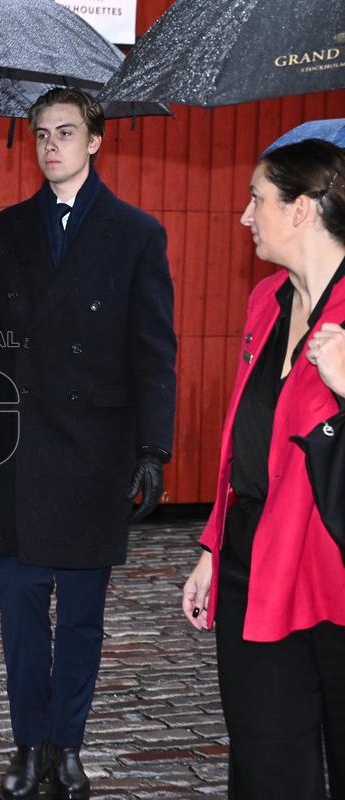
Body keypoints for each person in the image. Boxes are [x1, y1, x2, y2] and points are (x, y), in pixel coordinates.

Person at [0, 88, 177, 800]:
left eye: (66, 132)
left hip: (96, 448)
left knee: (82, 615)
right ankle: (29, 746)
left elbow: (154, 353)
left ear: (96, 141)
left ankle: (68, 744)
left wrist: (155, 450)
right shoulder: (9, 231)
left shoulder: (136, 234)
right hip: (23, 446)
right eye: (40, 134)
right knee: (22, 607)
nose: (51, 145)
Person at [182, 139, 345, 799]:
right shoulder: (266, 302)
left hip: (332, 572)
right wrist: (216, 547)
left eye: (257, 199)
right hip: (256, 559)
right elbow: (243, 439)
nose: (245, 216)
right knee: (265, 765)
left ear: (302, 210)